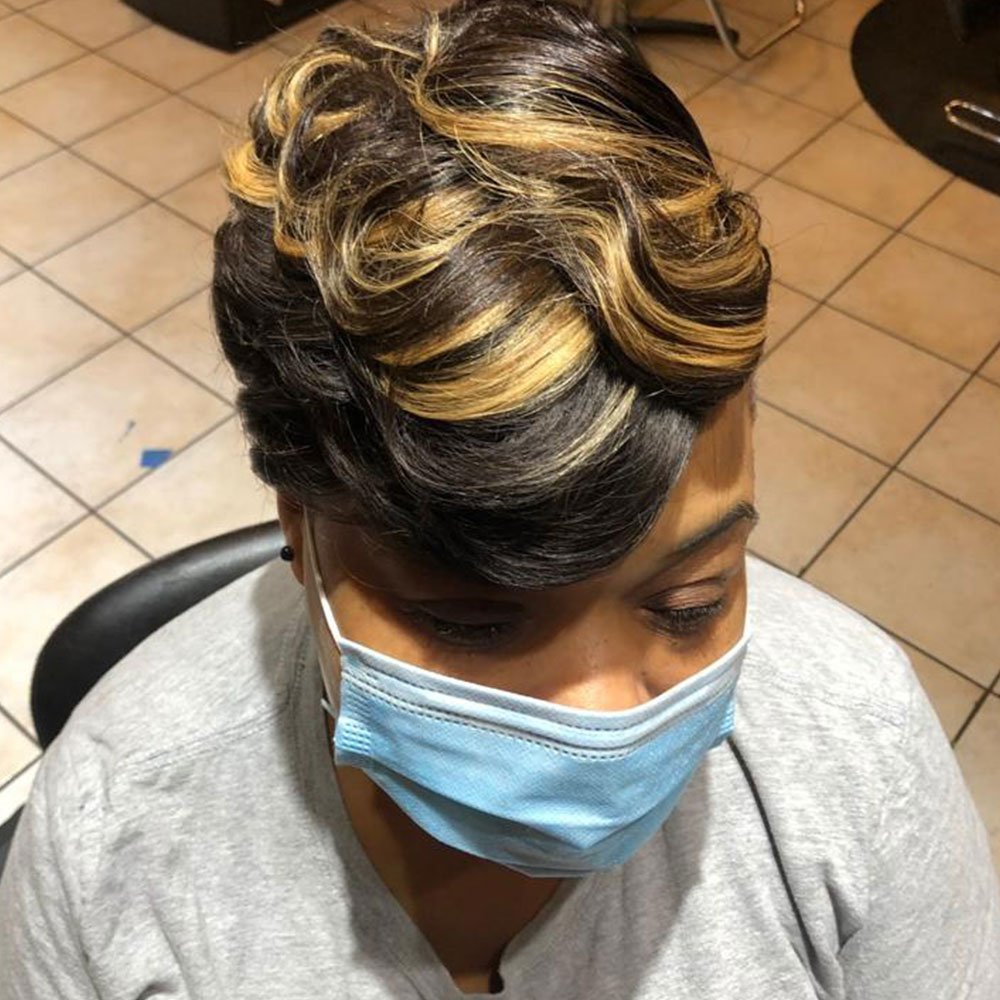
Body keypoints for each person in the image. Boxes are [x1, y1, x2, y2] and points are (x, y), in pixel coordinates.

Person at [1, 1, 997, 996]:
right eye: (471, 621)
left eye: (690, 602)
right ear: (297, 523)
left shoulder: (857, 749)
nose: (603, 714)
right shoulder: (112, 844)